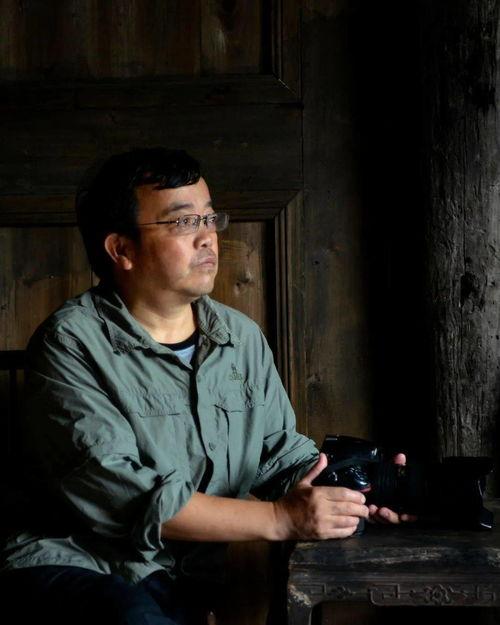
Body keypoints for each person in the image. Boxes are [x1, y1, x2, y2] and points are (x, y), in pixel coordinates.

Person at [0, 148, 409, 624]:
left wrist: (359, 491)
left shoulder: (239, 337)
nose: (207, 236)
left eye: (210, 217)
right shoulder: (70, 342)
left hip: (181, 579)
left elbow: (278, 454)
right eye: (182, 222)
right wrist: (280, 518)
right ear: (122, 249)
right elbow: (127, 497)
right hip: (78, 565)